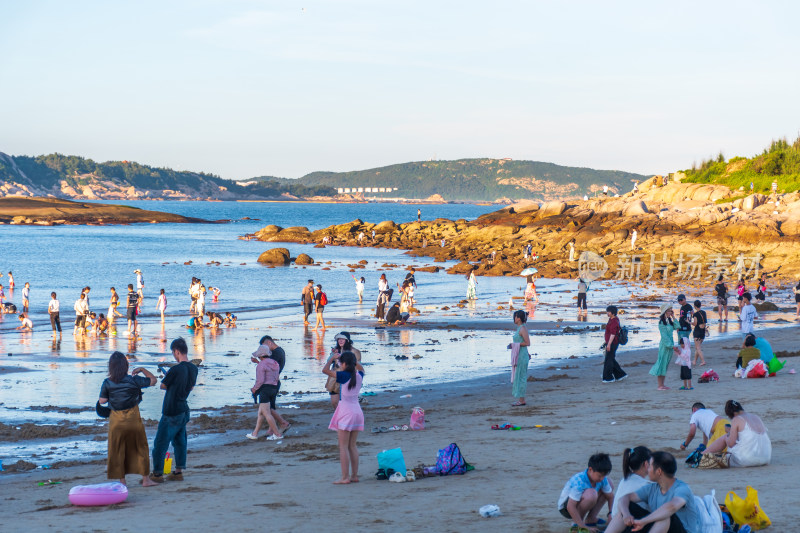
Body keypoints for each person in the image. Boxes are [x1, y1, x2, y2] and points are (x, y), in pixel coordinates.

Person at [98, 351, 158, 487]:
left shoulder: (107, 382)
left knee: (117, 450)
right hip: (133, 418)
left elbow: (102, 401)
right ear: (126, 365)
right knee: (140, 447)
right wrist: (142, 369)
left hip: (116, 421)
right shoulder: (134, 380)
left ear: (111, 367)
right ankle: (145, 480)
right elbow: (153, 381)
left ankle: (122, 482)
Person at [606, 451, 701, 533]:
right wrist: (626, 514)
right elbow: (624, 498)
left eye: (650, 466)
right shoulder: (652, 488)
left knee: (665, 517)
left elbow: (671, 507)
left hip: (681, 530)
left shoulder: (682, 488)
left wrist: (644, 521)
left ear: (659, 471)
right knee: (626, 509)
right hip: (660, 529)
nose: (647, 470)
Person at [149, 338, 198, 483]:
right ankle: (178, 472)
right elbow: (190, 387)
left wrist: (170, 380)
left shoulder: (175, 369)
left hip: (171, 409)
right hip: (183, 408)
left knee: (160, 443)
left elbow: (163, 386)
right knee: (180, 441)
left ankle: (157, 474)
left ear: (177, 351)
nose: (174, 355)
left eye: (173, 353)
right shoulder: (194, 368)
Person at [322, 351, 365, 484]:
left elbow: (325, 370)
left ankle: (345, 477)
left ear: (344, 364)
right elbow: (361, 368)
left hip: (346, 411)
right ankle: (354, 475)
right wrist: (352, 361)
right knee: (352, 445)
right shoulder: (359, 375)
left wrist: (331, 358)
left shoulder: (343, 375)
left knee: (343, 447)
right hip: (357, 410)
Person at [702, 400, 771, 467]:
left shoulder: (737, 419)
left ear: (733, 414)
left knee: (725, 437)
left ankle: (702, 455)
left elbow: (731, 444)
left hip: (747, 460)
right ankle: (704, 454)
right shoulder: (756, 417)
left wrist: (729, 433)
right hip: (765, 458)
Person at [557, 453, 615, 533]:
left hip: (582, 500)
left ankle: (591, 519)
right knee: (591, 494)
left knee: (609, 483)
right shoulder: (580, 481)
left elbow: (610, 496)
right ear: (590, 470)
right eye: (599, 475)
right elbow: (570, 506)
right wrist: (583, 526)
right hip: (566, 508)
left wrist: (610, 513)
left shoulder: (602, 479)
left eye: (604, 475)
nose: (602, 478)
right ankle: (577, 525)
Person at [249, 335, 290, 432]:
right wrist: (259, 362)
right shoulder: (279, 351)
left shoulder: (277, 353)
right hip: (274, 382)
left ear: (269, 343)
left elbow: (269, 368)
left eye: (265, 346)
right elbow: (270, 366)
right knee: (269, 408)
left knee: (267, 409)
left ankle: (282, 423)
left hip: (270, 383)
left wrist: (258, 363)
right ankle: (271, 429)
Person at [246, 342, 283, 441]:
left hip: (265, 390)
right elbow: (272, 374)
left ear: (260, 355)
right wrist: (258, 362)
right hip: (274, 388)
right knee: (261, 413)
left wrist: (254, 389)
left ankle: (277, 434)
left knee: (266, 413)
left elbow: (260, 380)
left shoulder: (261, 365)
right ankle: (255, 433)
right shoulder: (275, 363)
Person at [611, 447, 652, 519]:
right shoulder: (646, 485)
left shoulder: (624, 480)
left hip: (614, 522)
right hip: (629, 524)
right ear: (646, 464)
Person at [326, 332, 362, 408]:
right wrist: (333, 355)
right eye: (339, 339)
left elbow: (358, 366)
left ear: (347, 340)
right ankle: (339, 418)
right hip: (334, 378)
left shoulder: (355, 351)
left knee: (346, 403)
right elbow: (328, 361)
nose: (340, 341)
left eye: (343, 339)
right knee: (334, 403)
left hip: (347, 379)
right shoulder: (336, 350)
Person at [651, 304, 678, 390]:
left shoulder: (669, 321)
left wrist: (673, 316)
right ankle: (660, 385)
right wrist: (672, 346)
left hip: (670, 345)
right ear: (665, 312)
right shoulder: (661, 323)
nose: (671, 312)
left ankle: (662, 384)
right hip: (665, 346)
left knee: (665, 364)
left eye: (671, 310)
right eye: (670, 311)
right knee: (661, 364)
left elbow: (677, 326)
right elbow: (664, 336)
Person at [508, 310, 531, 406]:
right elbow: (523, 342)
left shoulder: (523, 329)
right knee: (519, 376)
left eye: (515, 317)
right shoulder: (519, 329)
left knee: (521, 377)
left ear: (519, 318)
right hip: (520, 355)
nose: (514, 318)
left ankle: (522, 400)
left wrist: (514, 345)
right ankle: (521, 399)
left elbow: (527, 343)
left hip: (522, 356)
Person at [602, 305, 627, 383]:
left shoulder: (614, 321)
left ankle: (608, 378)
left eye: (608, 312)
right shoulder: (612, 319)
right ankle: (620, 375)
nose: (607, 313)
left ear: (613, 312)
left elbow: (613, 334)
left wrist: (608, 344)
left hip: (613, 343)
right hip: (611, 342)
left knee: (608, 360)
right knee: (611, 359)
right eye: (607, 311)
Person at [690, 300, 707, 366]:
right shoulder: (704, 312)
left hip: (697, 331)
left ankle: (703, 361)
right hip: (703, 331)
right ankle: (694, 361)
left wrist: (689, 322)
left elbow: (695, 323)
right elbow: (704, 322)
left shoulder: (695, 314)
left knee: (698, 348)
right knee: (698, 347)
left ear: (694, 306)